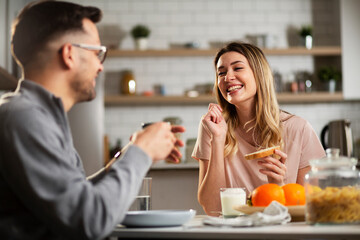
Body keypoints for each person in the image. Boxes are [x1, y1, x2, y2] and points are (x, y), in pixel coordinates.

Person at [0, 1, 184, 239]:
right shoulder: (24, 118)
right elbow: (89, 220)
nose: (100, 66)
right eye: (97, 53)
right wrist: (141, 152)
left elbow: (75, 197)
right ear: (69, 54)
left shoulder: (38, 117)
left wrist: (128, 155)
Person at [192, 42, 325, 216]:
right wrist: (217, 140)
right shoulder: (212, 127)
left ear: (259, 75)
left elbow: (310, 208)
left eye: (237, 68)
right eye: (221, 73)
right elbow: (212, 207)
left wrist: (277, 186)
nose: (227, 77)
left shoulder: (298, 129)